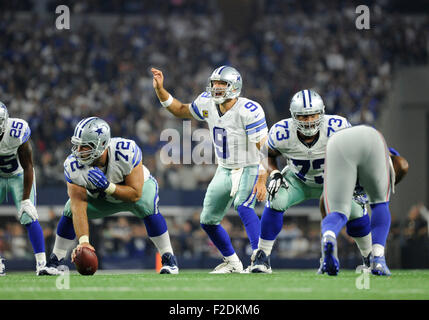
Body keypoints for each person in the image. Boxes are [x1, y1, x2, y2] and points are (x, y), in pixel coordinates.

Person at [152, 66, 268, 273]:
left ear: (234, 86)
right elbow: (180, 110)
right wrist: (161, 90)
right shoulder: (207, 102)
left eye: (222, 83)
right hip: (224, 169)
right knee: (207, 221)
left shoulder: (249, 110)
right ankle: (232, 262)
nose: (217, 87)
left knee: (243, 206)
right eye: (214, 83)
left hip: (250, 166)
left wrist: (262, 177)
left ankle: (261, 259)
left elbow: (265, 148)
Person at [250, 90, 371, 273]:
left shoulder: (338, 127)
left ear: (321, 113)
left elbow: (356, 154)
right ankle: (262, 256)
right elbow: (267, 154)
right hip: (299, 180)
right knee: (276, 198)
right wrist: (274, 172)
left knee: (356, 210)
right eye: (302, 116)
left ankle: (369, 257)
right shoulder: (282, 131)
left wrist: (355, 181)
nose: (308, 121)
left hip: (333, 182)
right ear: (293, 116)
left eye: (312, 115)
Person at [46, 117, 179, 274]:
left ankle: (169, 258)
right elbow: (78, 204)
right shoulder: (73, 165)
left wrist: (108, 187)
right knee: (70, 210)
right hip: (101, 198)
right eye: (78, 145)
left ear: (102, 144)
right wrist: (84, 242)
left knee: (147, 204)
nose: (79, 151)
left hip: (134, 191)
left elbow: (135, 194)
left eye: (85, 147)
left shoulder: (125, 151)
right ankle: (56, 261)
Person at [319, 146, 408, 275]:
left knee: (341, 216)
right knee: (377, 209)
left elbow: (324, 202)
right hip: (356, 201)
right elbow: (401, 164)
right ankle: (375, 259)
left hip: (344, 196)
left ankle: (329, 236)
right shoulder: (379, 162)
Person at [0, 102, 58, 275]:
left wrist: (25, 199)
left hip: (18, 174)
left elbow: (28, 166)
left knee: (29, 215)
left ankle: (41, 265)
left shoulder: (16, 132)